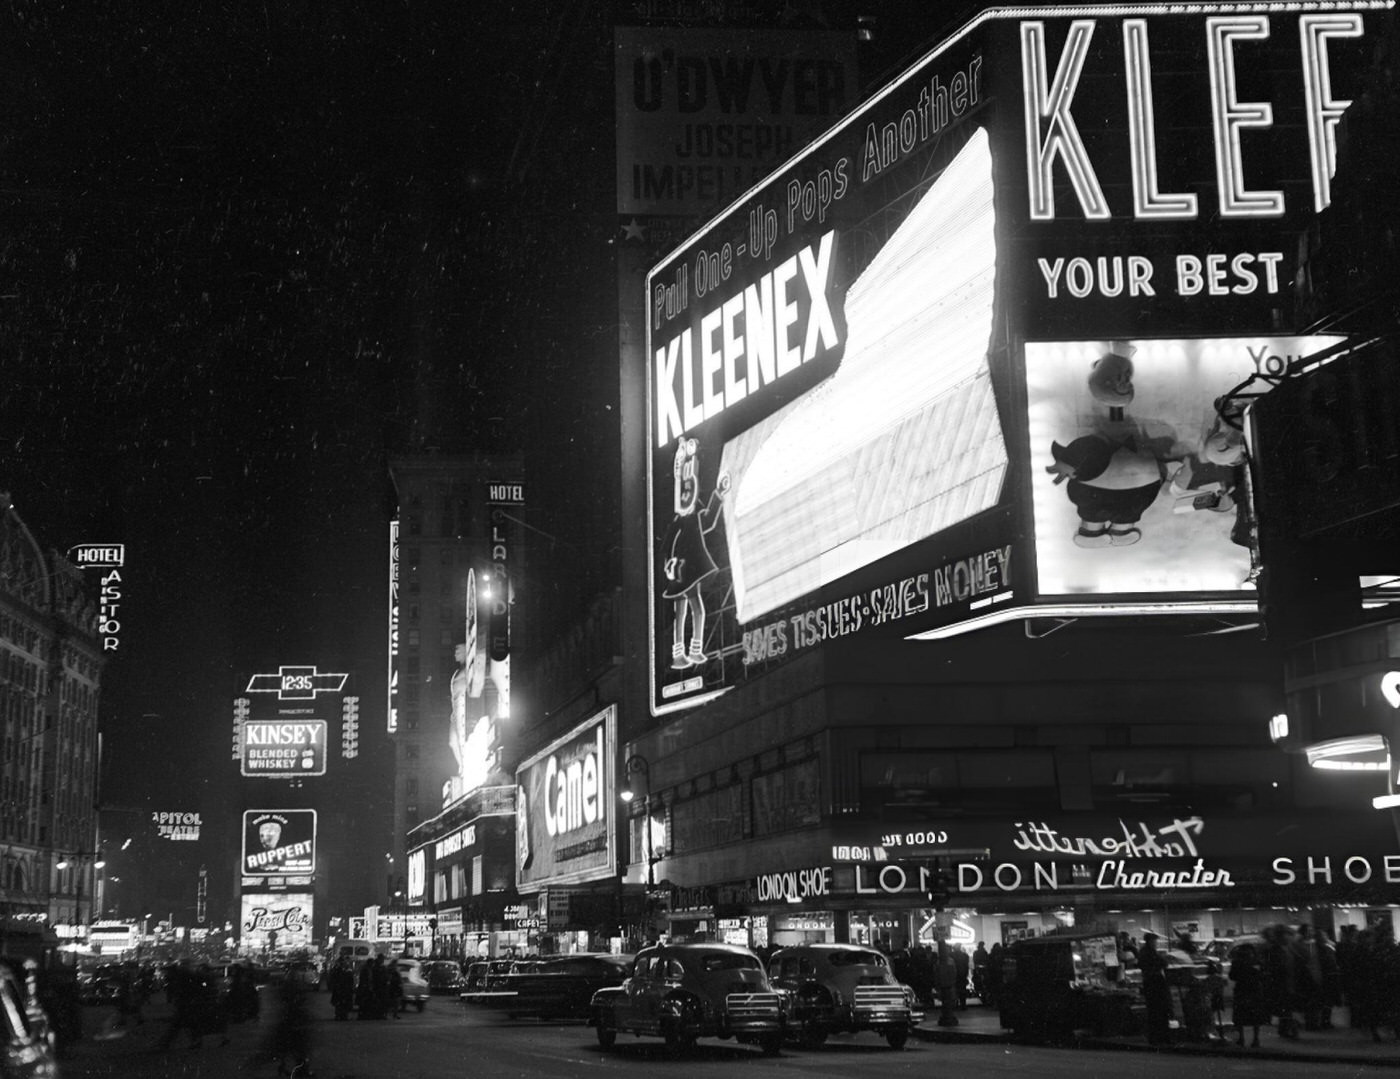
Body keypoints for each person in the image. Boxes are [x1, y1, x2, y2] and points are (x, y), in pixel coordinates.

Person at [1229, 942, 1268, 1048]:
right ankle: (1255, 1039)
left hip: (1241, 990)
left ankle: (1241, 1039)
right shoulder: (1256, 962)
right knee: (1255, 1016)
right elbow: (1263, 975)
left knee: (1240, 1015)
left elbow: (1232, 976)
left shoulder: (1237, 962)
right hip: (1254, 990)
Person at [1138, 932, 1172, 1045]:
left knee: (1153, 1011)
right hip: (1155, 984)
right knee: (1159, 1011)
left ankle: (1155, 1037)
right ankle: (1160, 1036)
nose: (1156, 943)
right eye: (1155, 941)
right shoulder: (1150, 953)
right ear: (1151, 941)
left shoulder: (1144, 952)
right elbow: (1163, 963)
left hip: (1149, 984)